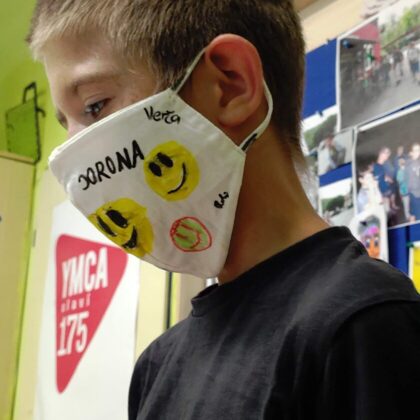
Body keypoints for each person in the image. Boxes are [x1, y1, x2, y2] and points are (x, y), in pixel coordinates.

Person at [27, 1, 420, 419]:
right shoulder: (157, 365)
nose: (70, 162)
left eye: (94, 106)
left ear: (230, 84)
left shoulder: (364, 321)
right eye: (65, 124)